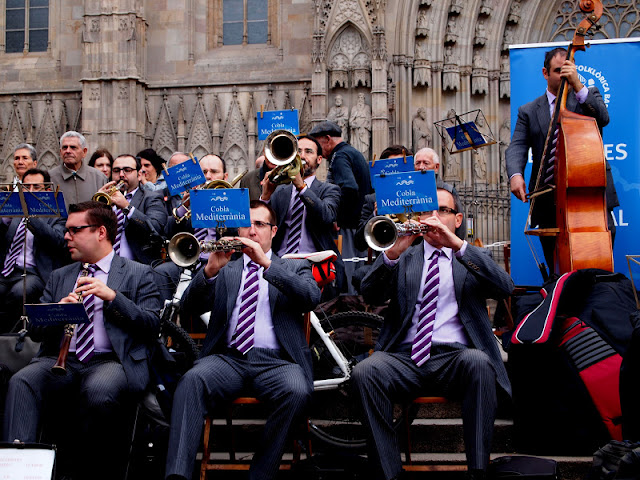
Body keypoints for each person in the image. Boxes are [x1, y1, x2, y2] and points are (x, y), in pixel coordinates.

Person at [352, 185, 514, 480]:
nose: (434, 217)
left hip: (455, 357)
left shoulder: (469, 257)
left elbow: (505, 287)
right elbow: (369, 294)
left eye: (443, 211)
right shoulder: (406, 257)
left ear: (458, 219)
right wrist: (392, 253)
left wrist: (457, 245)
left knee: (479, 363)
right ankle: (388, 473)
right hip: (405, 357)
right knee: (366, 371)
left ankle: (478, 470)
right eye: (428, 211)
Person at [3, 200, 163, 480]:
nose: (66, 236)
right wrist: (57, 312)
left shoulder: (139, 273)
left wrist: (113, 297)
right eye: (67, 230)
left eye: (74, 230)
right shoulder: (59, 276)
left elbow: (151, 326)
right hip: (61, 359)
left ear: (101, 232)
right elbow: (37, 333)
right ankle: (19, 473)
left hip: (112, 360)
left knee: (99, 391)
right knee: (22, 381)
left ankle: (88, 472)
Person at [165, 200, 322, 480]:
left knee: (297, 391)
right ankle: (177, 475)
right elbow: (188, 310)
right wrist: (210, 272)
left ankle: (260, 474)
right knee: (191, 381)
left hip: (278, 363)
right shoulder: (226, 267)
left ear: (273, 231)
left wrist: (267, 264)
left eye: (259, 224)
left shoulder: (293, 267)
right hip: (229, 360)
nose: (251, 230)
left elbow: (310, 297)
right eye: (247, 224)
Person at [505, 47, 618, 273]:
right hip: (548, 199)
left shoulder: (587, 96)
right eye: (558, 70)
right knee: (556, 265)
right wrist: (515, 175)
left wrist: (577, 84)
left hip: (589, 197)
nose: (563, 75)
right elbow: (516, 146)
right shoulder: (528, 110)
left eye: (568, 69)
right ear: (545, 73)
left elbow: (603, 118)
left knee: (597, 261)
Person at [261, 135, 344, 298]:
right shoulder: (280, 191)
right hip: (281, 262)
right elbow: (259, 226)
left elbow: (326, 216)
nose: (302, 156)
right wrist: (265, 197)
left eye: (309, 152)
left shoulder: (329, 189)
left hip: (316, 266)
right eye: (298, 151)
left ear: (319, 159)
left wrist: (301, 187)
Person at [0, 168, 67, 332]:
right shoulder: (13, 209)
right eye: (26, 187)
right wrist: (3, 221)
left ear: (47, 190)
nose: (30, 192)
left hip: (33, 272)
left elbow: (57, 241)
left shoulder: (56, 213)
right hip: (6, 271)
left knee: (20, 292)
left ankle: (9, 336)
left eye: (36, 187)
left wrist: (33, 218)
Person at [310, 120, 372, 294]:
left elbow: (349, 188)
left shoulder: (340, 157)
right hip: (357, 226)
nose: (317, 149)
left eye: (317, 144)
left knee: (348, 271)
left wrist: (337, 216)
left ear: (327, 139)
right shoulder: (352, 153)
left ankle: (348, 312)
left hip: (349, 228)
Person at [95, 154, 167, 264]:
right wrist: (96, 207)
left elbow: (155, 229)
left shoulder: (152, 197)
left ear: (139, 175)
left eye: (127, 170)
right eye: (116, 170)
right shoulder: (104, 199)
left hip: (138, 267)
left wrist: (127, 208)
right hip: (104, 265)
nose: (121, 175)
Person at [49, 131, 108, 209]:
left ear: (84, 152)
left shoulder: (99, 178)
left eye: (73, 147)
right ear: (60, 152)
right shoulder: (50, 178)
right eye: (64, 147)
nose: (68, 151)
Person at [349, 93, 372, 159]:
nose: (360, 99)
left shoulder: (367, 108)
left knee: (364, 147)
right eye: (359, 97)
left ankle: (365, 161)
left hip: (364, 130)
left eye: (362, 97)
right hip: (356, 131)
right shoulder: (354, 108)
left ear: (364, 99)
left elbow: (369, 119)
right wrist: (354, 125)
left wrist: (365, 126)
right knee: (356, 147)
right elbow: (351, 120)